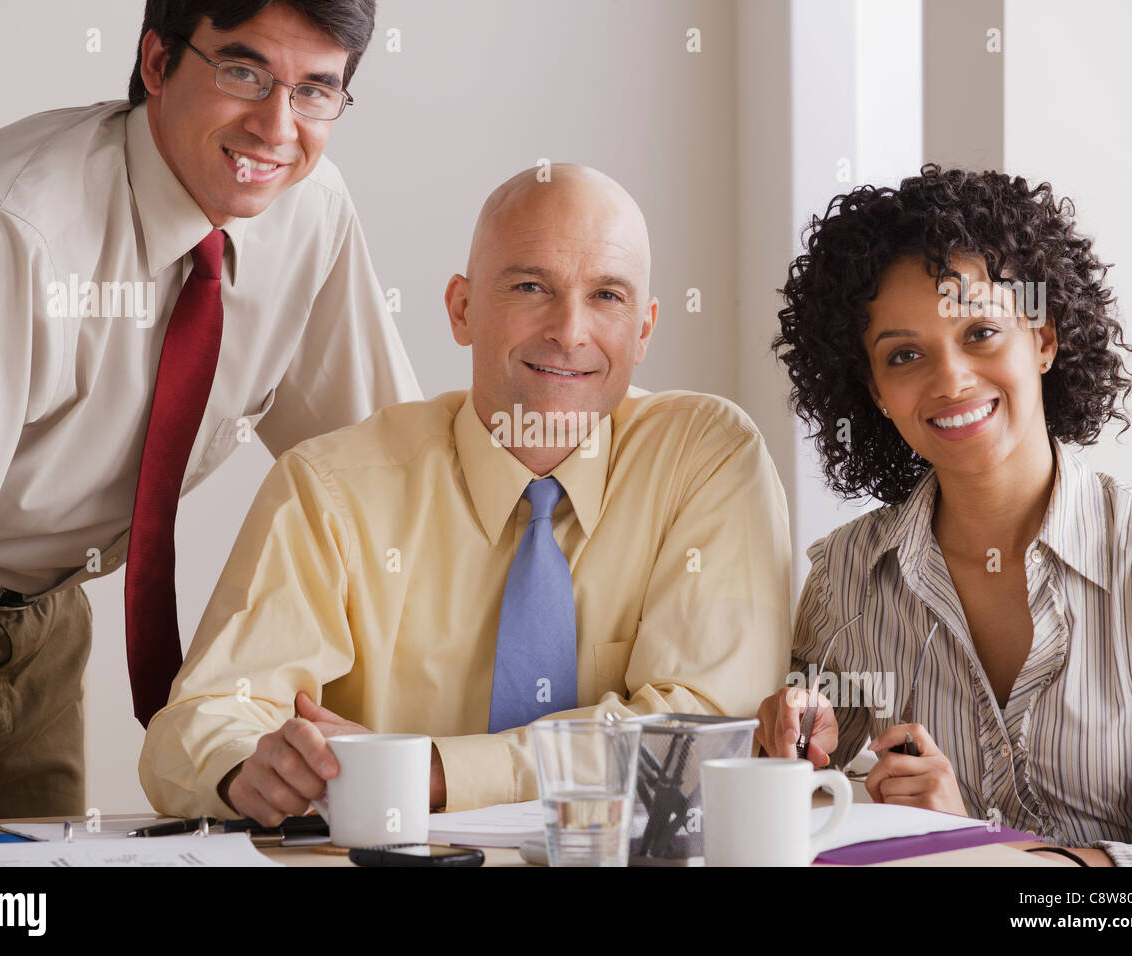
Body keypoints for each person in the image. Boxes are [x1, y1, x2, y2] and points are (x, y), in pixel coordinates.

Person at [0, 0, 421, 833]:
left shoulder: (310, 210)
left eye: (316, 89)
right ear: (156, 63)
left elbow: (381, 469)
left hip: (49, 622)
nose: (277, 128)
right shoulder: (5, 229)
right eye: (243, 71)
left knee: (23, 904)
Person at [138, 163, 793, 821]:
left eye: (607, 297)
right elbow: (196, 724)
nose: (569, 331)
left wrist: (439, 773)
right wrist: (248, 768)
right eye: (531, 286)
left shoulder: (706, 458)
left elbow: (708, 728)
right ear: (462, 309)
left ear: (644, 330)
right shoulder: (330, 488)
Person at [755, 165, 1132, 866]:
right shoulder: (844, 577)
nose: (951, 379)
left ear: (1043, 339)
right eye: (905, 355)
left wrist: (989, 853)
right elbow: (816, 817)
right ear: (874, 391)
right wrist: (791, 757)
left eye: (981, 333)